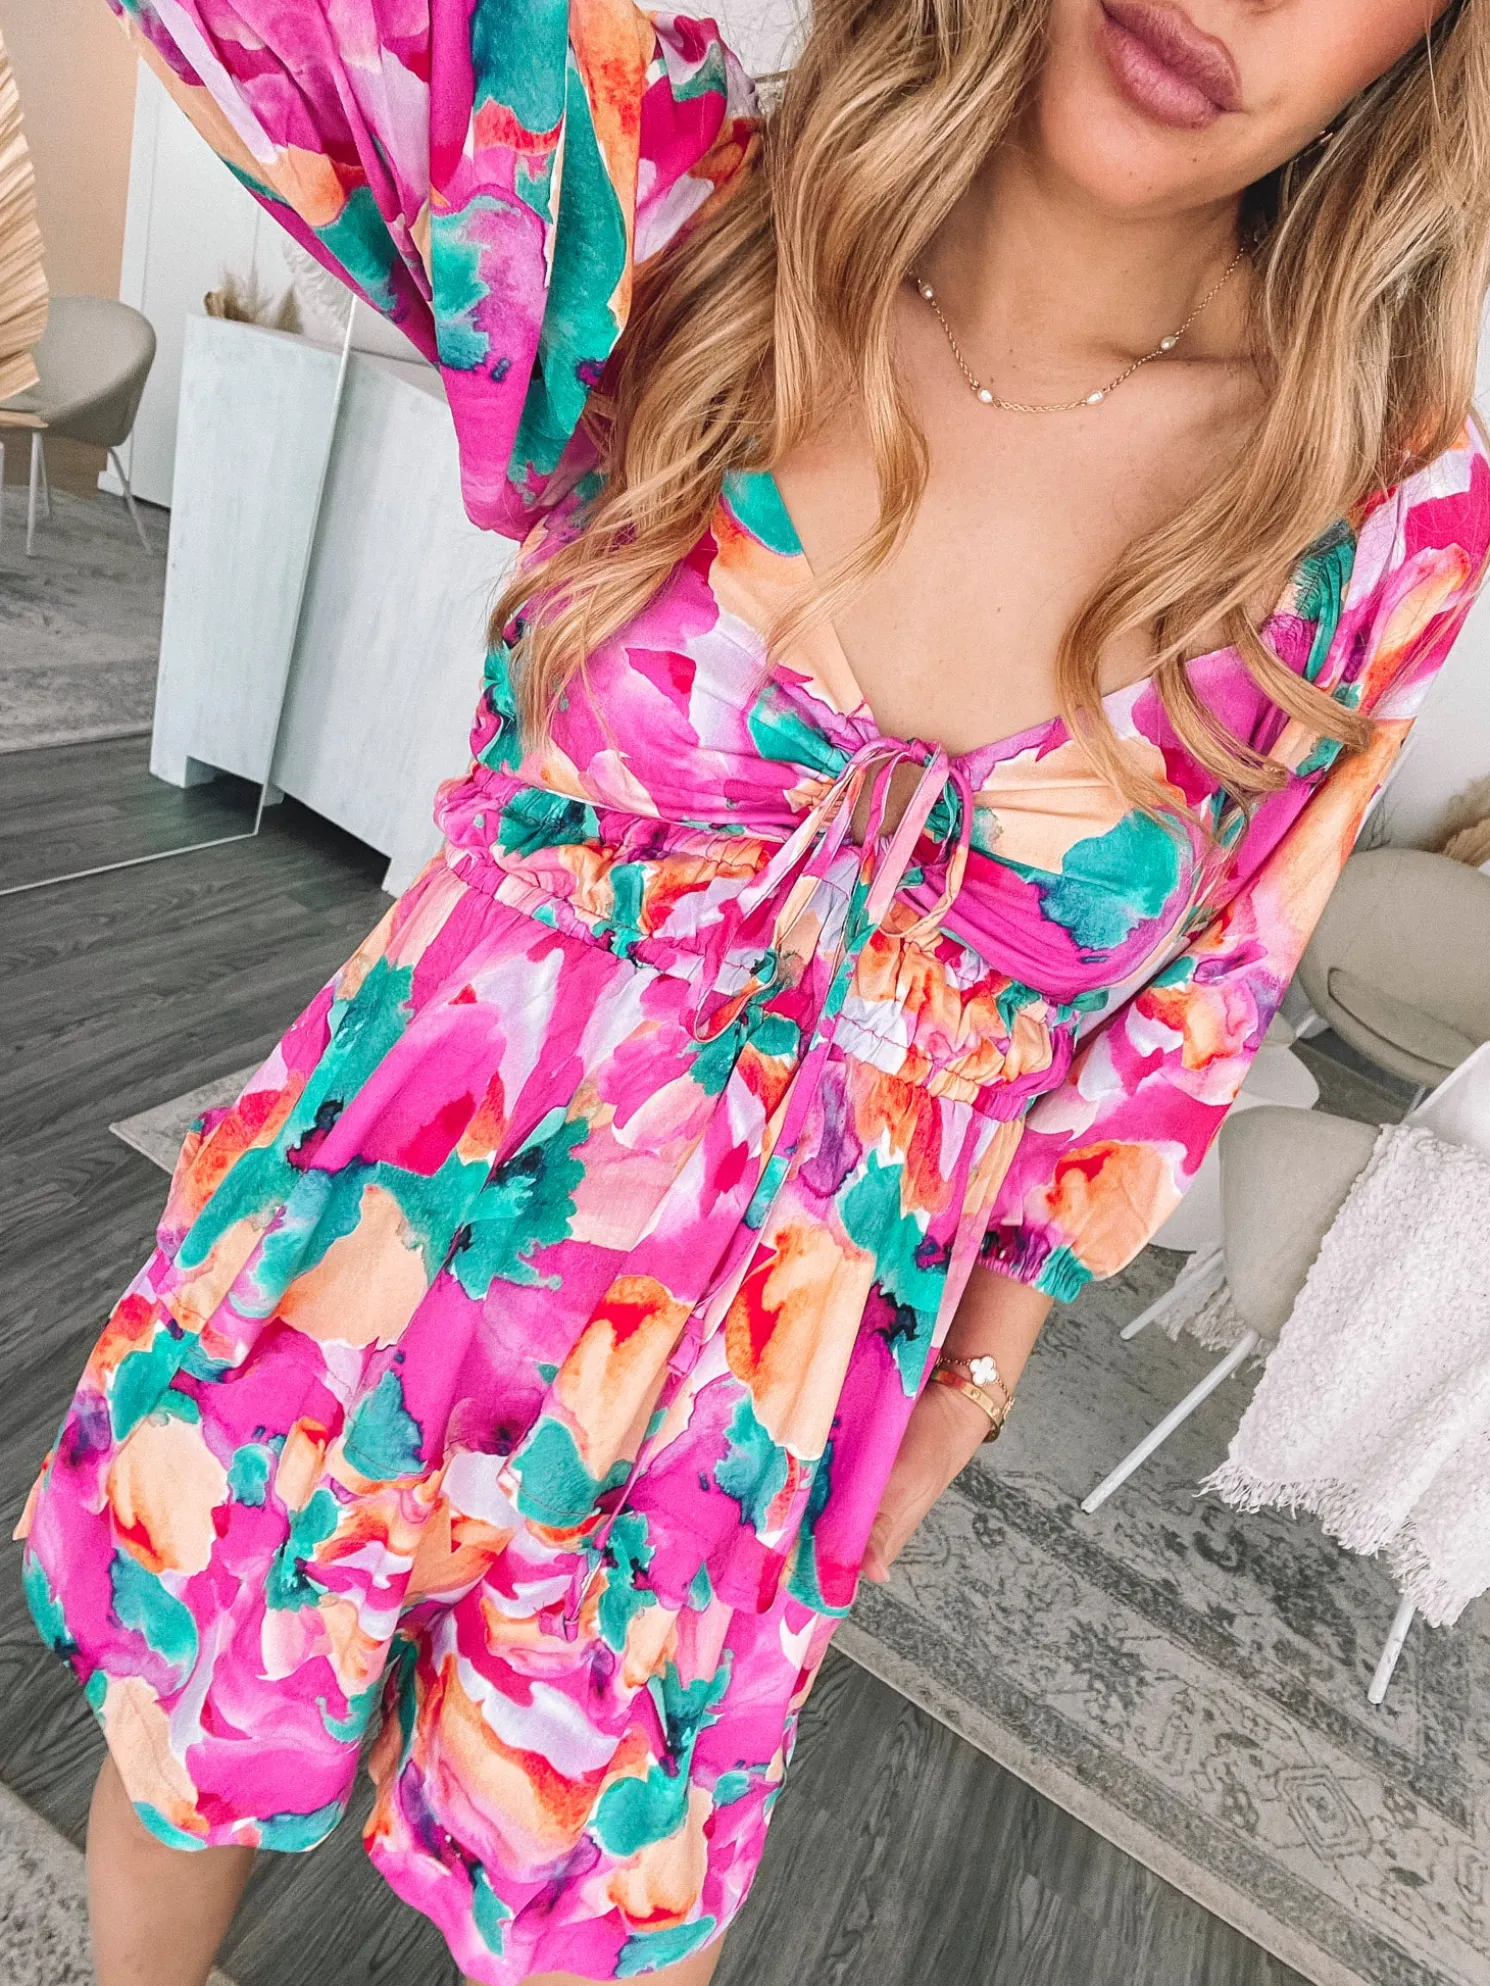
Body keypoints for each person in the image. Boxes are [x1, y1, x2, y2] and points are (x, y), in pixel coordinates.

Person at [19, 1, 1490, 1982]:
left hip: (754, 1404)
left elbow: (1197, 1003)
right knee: (192, 1744)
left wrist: (969, 1382)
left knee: (607, 1922)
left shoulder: (1372, 508)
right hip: (353, 1243)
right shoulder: (666, 206)